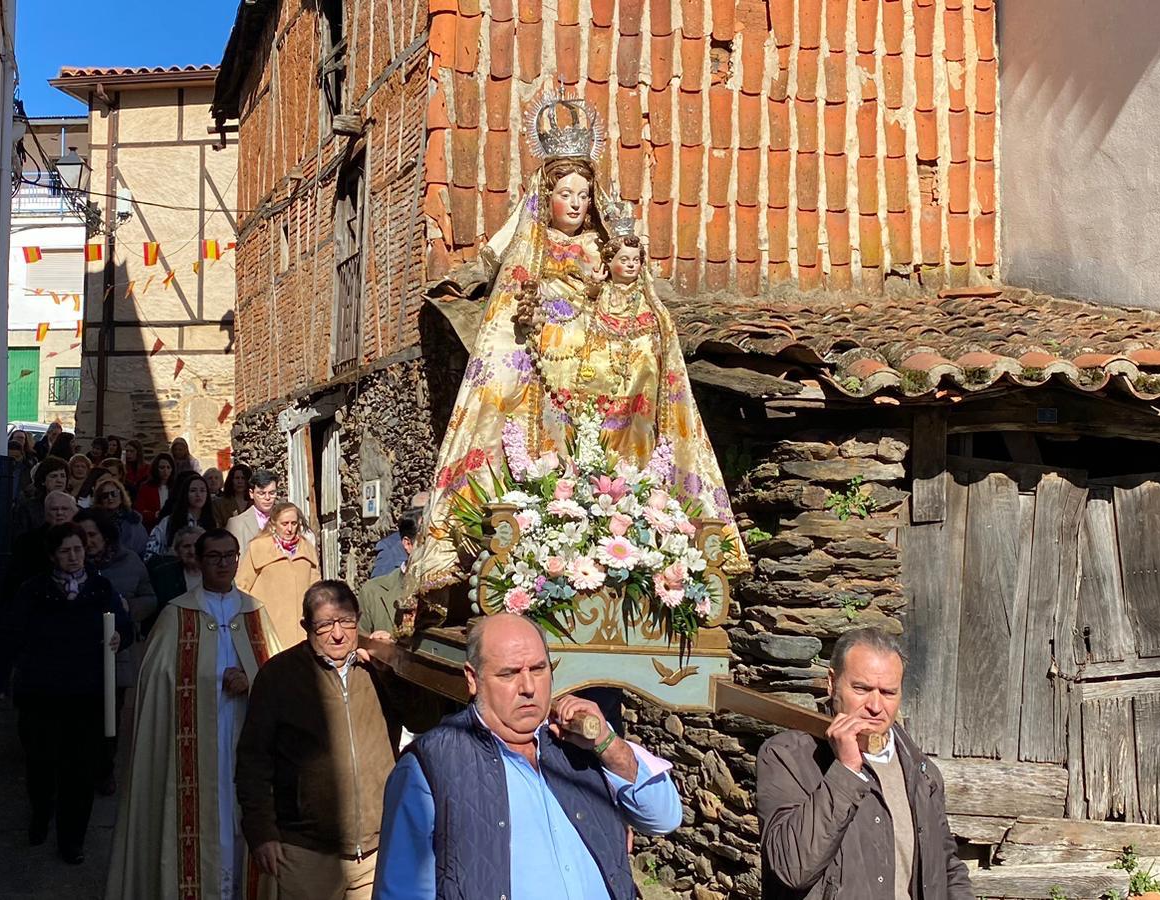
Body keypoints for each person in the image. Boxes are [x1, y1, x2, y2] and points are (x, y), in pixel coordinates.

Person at [404, 93, 747, 608]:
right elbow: (509, 312)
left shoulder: (603, 247)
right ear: (546, 196)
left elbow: (630, 300)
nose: (576, 204)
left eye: (584, 195)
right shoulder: (531, 249)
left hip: (601, 375)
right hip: (546, 375)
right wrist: (537, 316)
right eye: (566, 193)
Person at [375, 613, 680, 899]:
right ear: (472, 678)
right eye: (509, 674)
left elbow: (663, 818)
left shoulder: (578, 740)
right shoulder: (429, 765)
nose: (529, 687)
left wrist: (608, 744)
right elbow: (402, 890)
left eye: (538, 669)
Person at [106, 529, 280, 900]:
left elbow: (275, 677)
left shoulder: (255, 611)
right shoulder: (176, 614)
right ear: (199, 562)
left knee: (237, 820)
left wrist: (251, 679)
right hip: (191, 749)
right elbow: (156, 682)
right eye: (214, 556)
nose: (223, 563)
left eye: (230, 555)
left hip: (242, 739)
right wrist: (210, 682)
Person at [757, 628, 973, 900]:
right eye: (861, 688)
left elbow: (946, 867)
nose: (875, 705)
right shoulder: (788, 756)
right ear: (831, 683)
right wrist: (846, 771)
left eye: (888, 692)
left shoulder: (921, 771)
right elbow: (792, 869)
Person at [236, 581, 399, 899]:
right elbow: (253, 761)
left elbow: (422, 718)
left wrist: (393, 663)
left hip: (378, 848)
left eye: (346, 621)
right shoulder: (279, 676)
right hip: (307, 851)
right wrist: (261, 833)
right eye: (325, 625)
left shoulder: (375, 668)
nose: (338, 634)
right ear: (306, 626)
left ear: (359, 617)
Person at [0, 523, 131, 865]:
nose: (73, 557)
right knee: (41, 764)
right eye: (65, 551)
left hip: (87, 694)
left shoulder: (100, 588)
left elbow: (122, 624)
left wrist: (119, 637)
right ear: (53, 555)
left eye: (78, 550)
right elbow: (10, 633)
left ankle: (72, 840)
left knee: (80, 771)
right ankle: (40, 814)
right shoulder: (34, 591)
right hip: (42, 693)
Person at [75, 508, 158, 794]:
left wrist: (129, 609)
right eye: (82, 535)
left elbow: (149, 597)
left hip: (117, 652)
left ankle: (104, 768)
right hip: (79, 654)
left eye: (92, 535)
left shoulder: (129, 561)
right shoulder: (71, 564)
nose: (88, 541)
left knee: (111, 713)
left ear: (105, 535)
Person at [235, 500, 320, 648]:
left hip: (301, 629)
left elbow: (316, 590)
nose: (289, 529)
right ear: (273, 524)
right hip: (268, 627)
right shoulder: (258, 547)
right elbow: (241, 586)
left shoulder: (307, 549)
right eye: (284, 523)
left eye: (294, 523)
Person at [359, 510, 419, 638]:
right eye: (428, 540)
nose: (438, 548)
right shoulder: (373, 592)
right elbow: (357, 646)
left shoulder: (458, 594)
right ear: (408, 544)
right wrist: (379, 646)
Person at [9, 490, 79, 588]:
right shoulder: (27, 542)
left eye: (65, 508)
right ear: (45, 513)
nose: (59, 513)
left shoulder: (83, 539)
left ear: (74, 512)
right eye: (54, 509)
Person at [147, 471, 219, 559]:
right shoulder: (169, 521)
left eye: (202, 490)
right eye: (193, 490)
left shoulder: (212, 521)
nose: (198, 495)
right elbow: (150, 553)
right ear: (185, 494)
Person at [369, 492, 429, 579]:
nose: (423, 516)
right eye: (418, 511)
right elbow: (378, 587)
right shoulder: (390, 548)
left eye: (427, 511)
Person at [91, 474, 149, 558]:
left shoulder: (133, 520)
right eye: (105, 496)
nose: (110, 498)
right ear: (100, 500)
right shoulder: (94, 521)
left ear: (121, 495)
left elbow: (142, 547)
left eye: (113, 493)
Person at [12, 457, 70, 537]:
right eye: (54, 476)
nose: (59, 480)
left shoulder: (74, 509)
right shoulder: (28, 509)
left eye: (63, 476)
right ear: (43, 481)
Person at [226, 469, 280, 552]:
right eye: (261, 493)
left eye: (272, 493)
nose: (267, 498)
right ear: (251, 493)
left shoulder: (286, 520)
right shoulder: (237, 524)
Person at [134, 453, 176, 529]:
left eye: (168, 467)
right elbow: (138, 511)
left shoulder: (176, 488)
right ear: (156, 468)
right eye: (162, 467)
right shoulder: (146, 487)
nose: (165, 471)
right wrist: (154, 515)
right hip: (152, 527)